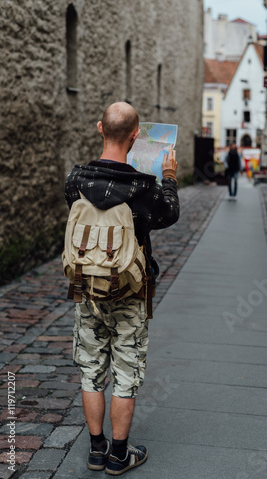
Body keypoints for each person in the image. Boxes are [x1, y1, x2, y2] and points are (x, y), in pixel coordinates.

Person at [64, 102, 179, 475]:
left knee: (91, 370)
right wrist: (169, 176)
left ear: (99, 128)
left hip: (87, 291)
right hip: (130, 293)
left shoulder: (75, 181)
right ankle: (119, 455)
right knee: (126, 374)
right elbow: (168, 214)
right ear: (135, 137)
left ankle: (96, 450)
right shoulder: (143, 188)